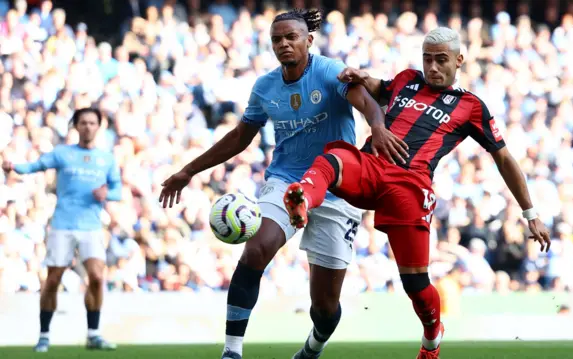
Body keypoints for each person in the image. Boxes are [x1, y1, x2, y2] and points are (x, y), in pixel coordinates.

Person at [283, 27, 552, 359]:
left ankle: (432, 337)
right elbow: (379, 88)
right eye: (428, 59)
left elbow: (504, 158)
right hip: (371, 164)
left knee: (415, 284)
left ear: (459, 60)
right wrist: (360, 77)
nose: (433, 67)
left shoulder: (471, 106)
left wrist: (531, 214)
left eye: (441, 60)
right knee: (333, 159)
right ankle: (302, 199)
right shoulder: (407, 79)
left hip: (410, 187)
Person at [158, 9, 406, 359]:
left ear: (309, 40)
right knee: (257, 248)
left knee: (323, 306)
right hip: (287, 182)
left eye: (291, 37)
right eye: (277, 39)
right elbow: (240, 137)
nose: (284, 44)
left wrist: (378, 126)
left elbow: (366, 103)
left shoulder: (329, 71)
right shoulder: (265, 87)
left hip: (338, 189)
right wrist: (189, 170)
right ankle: (231, 351)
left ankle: (312, 348)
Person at [2, 108, 122, 352]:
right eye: (83, 123)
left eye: (92, 122)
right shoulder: (63, 153)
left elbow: (118, 190)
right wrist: (14, 166)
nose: (88, 126)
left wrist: (106, 194)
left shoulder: (106, 159)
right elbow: (35, 166)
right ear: (76, 127)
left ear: (98, 127)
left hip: (91, 227)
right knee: (53, 279)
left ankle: (94, 334)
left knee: (97, 278)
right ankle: (44, 335)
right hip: (63, 225)